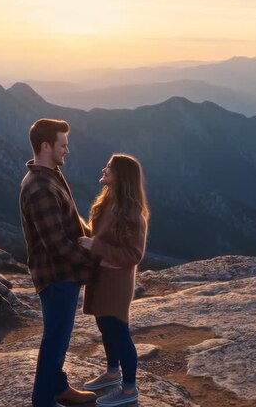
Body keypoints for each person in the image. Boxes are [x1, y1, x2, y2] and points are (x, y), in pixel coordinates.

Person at [19, 118, 100, 407]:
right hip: (56, 276)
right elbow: (55, 243)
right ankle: (43, 401)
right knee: (54, 339)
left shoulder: (50, 175)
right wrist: (93, 262)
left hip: (63, 273)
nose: (67, 150)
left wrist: (91, 237)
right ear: (45, 146)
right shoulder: (40, 187)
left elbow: (69, 220)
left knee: (60, 338)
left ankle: (58, 387)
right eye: (62, 145)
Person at [78, 154, 149, 407]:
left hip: (116, 283)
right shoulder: (106, 203)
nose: (103, 169)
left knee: (119, 331)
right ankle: (111, 373)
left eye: (109, 167)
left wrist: (95, 246)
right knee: (105, 327)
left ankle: (129, 388)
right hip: (100, 278)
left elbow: (134, 255)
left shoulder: (133, 214)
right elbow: (99, 236)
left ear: (121, 176)